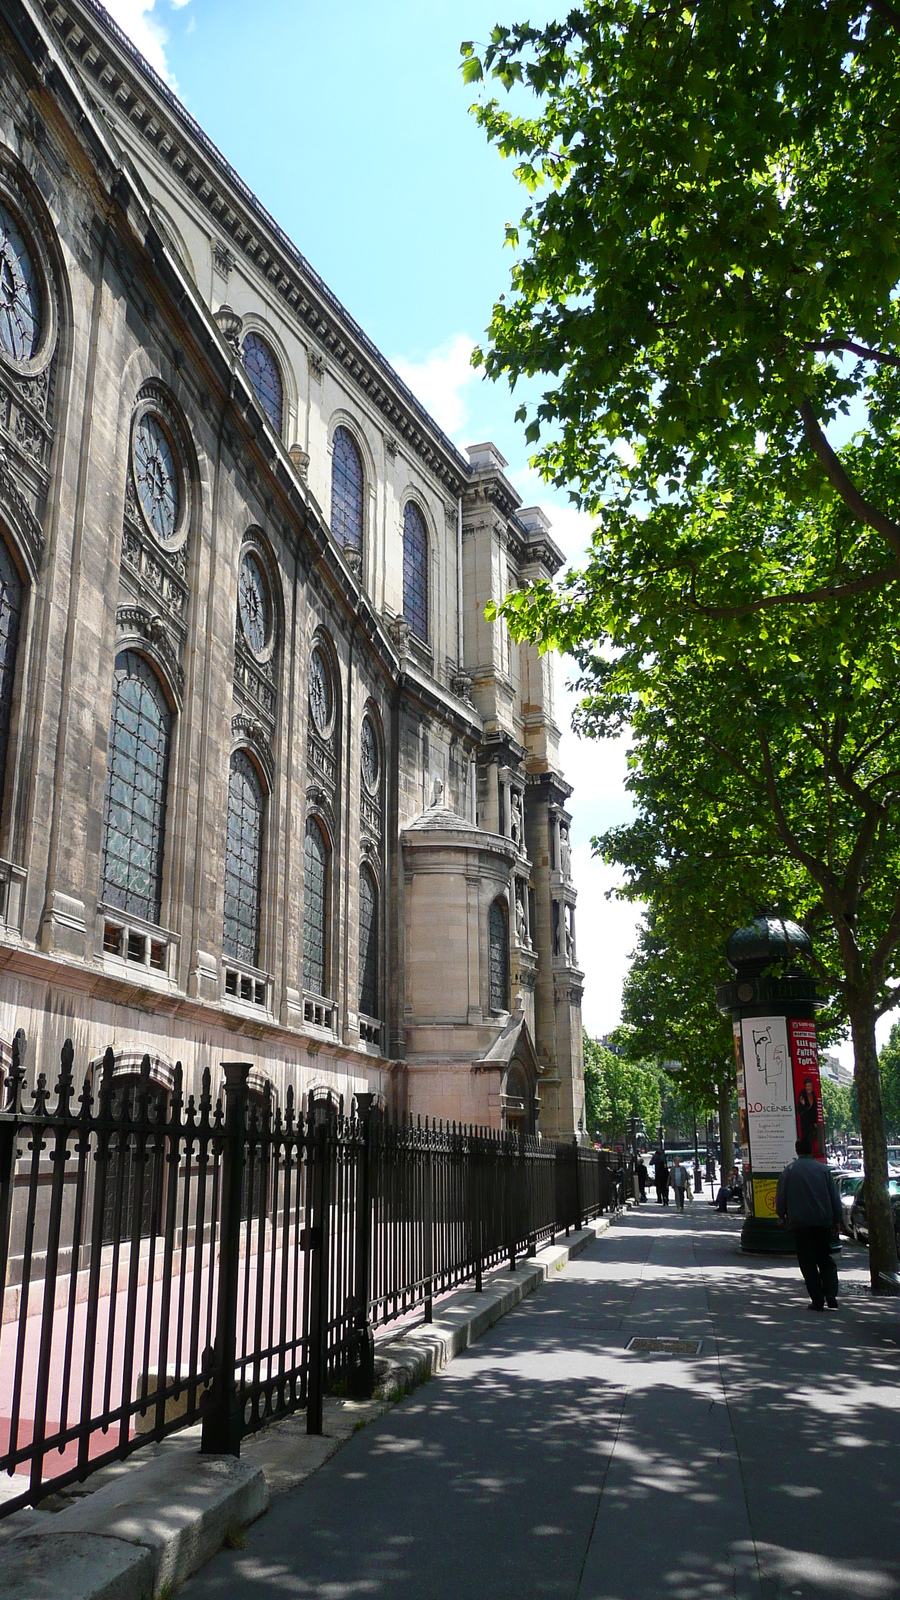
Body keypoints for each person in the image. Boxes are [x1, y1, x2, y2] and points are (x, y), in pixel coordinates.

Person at [775, 1137, 842, 1311]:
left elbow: (781, 1196)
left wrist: (781, 1215)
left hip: (800, 1223)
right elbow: (834, 1197)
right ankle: (831, 1294)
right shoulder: (823, 1170)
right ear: (811, 1150)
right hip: (822, 1221)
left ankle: (817, 1299)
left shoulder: (789, 1171)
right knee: (825, 1258)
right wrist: (837, 1220)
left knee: (807, 1262)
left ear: (797, 1151)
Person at [796, 1076, 820, 1156]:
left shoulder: (813, 1095)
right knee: (806, 1138)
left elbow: (815, 1109)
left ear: (811, 1086)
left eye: (809, 1086)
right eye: (806, 1086)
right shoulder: (802, 1094)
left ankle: (812, 1153)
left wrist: (815, 1121)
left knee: (813, 1138)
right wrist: (803, 1104)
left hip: (812, 1122)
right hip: (805, 1122)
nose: (808, 1088)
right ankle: (806, 1154)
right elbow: (799, 1109)